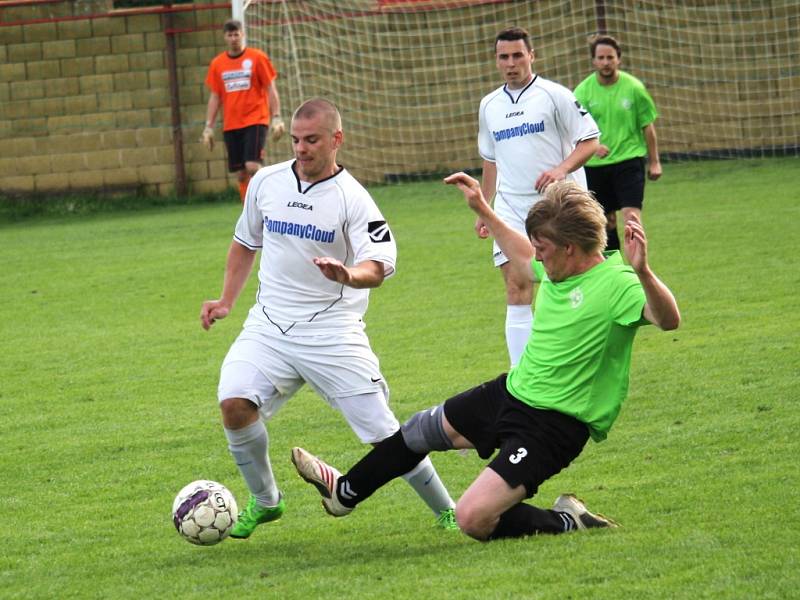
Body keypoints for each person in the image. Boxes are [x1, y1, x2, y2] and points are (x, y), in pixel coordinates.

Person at [292, 172, 680, 542]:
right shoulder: (557, 269)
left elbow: (667, 319)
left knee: (472, 519)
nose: (537, 259)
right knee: (417, 432)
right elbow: (521, 252)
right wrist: (482, 207)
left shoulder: (617, 284)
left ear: (570, 249)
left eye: (543, 249)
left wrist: (643, 271)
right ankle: (344, 494)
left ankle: (565, 520)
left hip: (553, 426)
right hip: (511, 393)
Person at [200, 98, 456, 539]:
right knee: (234, 404)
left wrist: (349, 274)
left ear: (336, 139)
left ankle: (448, 510)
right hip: (269, 325)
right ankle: (266, 502)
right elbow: (245, 243)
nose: (301, 148)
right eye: (297, 140)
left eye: (312, 140)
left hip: (331, 331)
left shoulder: (353, 199)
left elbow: (378, 265)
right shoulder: (266, 182)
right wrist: (225, 300)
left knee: (384, 434)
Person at [477, 26, 600, 367]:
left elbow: (589, 139)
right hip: (511, 209)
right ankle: (522, 375)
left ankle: (576, 358)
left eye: (518, 55)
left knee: (566, 284)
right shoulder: (489, 105)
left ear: (532, 56)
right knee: (517, 289)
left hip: (557, 209)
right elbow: (490, 159)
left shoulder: (554, 95)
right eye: (504, 56)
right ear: (496, 60)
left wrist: (561, 170)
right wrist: (485, 210)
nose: (511, 62)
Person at [574, 35, 661, 252]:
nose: (605, 62)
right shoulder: (582, 92)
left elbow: (647, 126)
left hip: (629, 161)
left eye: (610, 57)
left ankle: (640, 267)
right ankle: (613, 269)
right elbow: (573, 129)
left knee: (631, 218)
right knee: (605, 222)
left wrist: (654, 162)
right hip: (595, 166)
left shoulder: (634, 88)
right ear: (593, 61)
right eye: (601, 58)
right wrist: (594, 145)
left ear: (618, 59)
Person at [202, 19, 286, 203]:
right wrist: (208, 127)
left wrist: (277, 117)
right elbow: (215, 96)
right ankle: (248, 211)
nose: (233, 38)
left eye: (236, 34)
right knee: (241, 174)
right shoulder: (218, 64)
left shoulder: (257, 58)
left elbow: (271, 88)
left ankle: (272, 204)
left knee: (252, 166)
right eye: (230, 35)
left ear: (243, 35)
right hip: (232, 124)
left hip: (256, 120)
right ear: (224, 37)